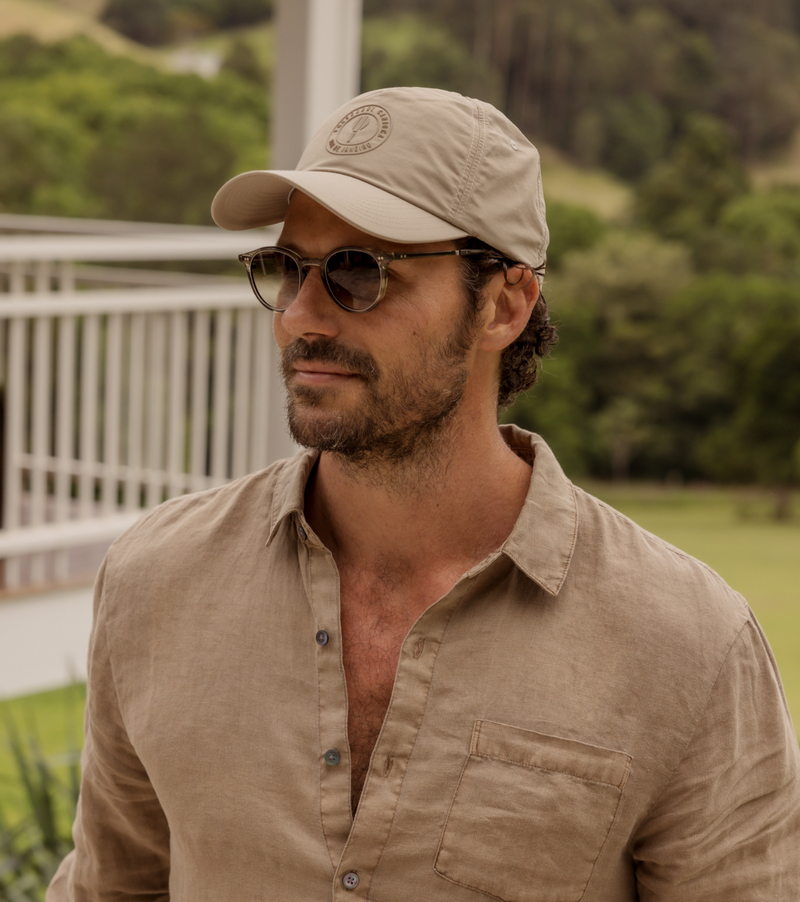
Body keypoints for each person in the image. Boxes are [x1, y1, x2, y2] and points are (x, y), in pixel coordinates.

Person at [49, 87, 799, 901]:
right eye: (287, 267)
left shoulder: (687, 644)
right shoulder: (156, 581)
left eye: (358, 272)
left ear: (505, 302)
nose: (301, 316)